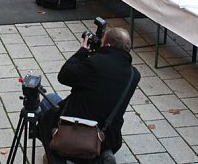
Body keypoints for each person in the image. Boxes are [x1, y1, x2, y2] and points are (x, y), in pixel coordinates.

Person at [36, 26, 140, 164]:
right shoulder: (134, 75)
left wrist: (82, 51)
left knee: (49, 101)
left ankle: (57, 157)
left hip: (72, 131)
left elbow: (64, 76)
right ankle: (102, 154)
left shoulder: (94, 63)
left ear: (108, 45)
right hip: (105, 136)